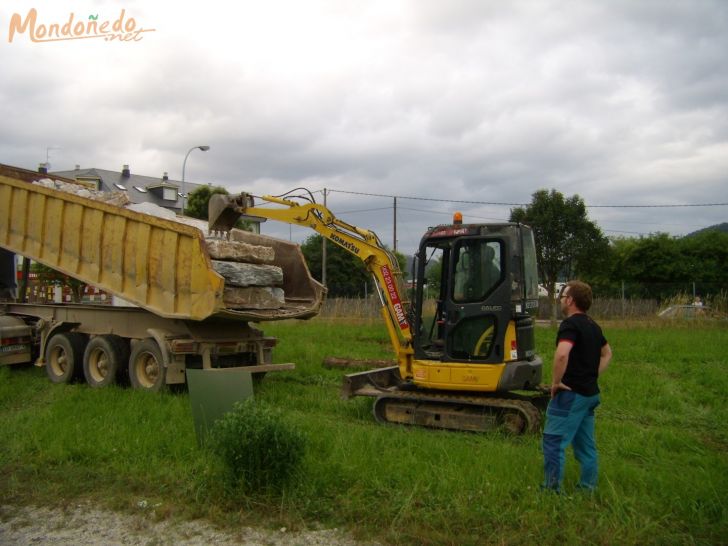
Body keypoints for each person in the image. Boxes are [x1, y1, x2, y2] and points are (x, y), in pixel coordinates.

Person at [542, 280, 612, 492]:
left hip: (570, 394)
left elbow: (562, 353)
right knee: (586, 446)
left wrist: (556, 383)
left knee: (554, 442)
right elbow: (607, 353)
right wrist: (591, 375)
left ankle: (552, 491)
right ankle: (587, 488)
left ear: (570, 300)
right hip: (589, 395)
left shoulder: (570, 324)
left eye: (563, 297)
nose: (561, 301)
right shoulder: (593, 325)